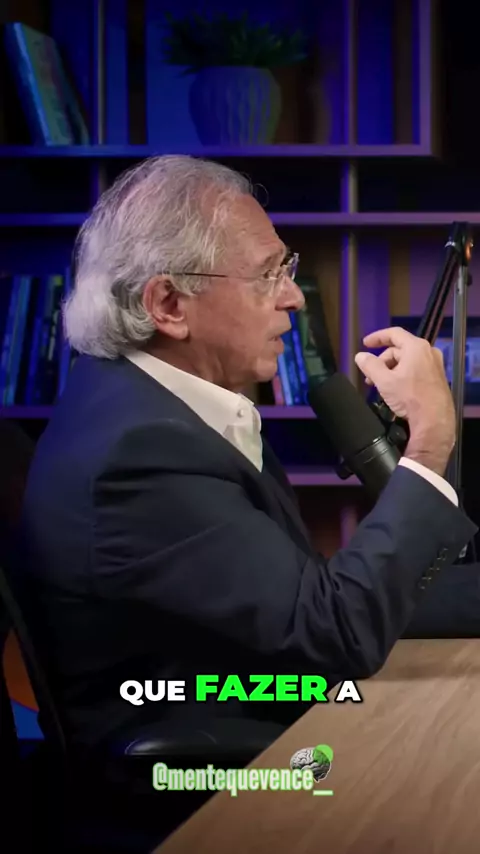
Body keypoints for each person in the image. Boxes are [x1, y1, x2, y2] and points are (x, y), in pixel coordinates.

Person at [18, 155, 477, 751]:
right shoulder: (139, 452)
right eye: (266, 275)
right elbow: (332, 634)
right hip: (216, 769)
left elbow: (304, 598)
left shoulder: (151, 405)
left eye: (286, 268)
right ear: (169, 305)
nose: (293, 298)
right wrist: (431, 436)